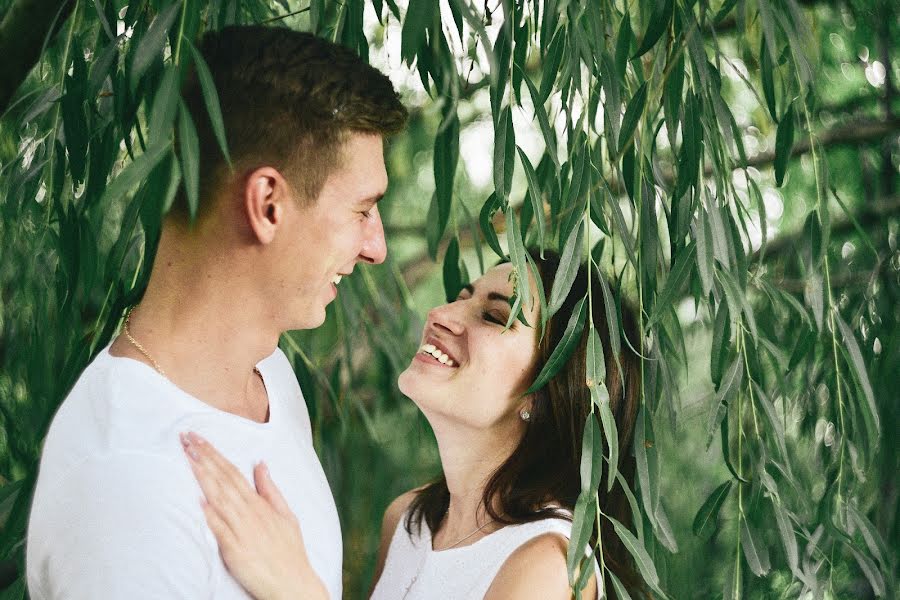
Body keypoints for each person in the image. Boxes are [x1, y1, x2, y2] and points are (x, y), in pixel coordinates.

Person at [26, 26, 407, 599]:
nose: (376, 248)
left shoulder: (268, 375)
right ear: (268, 205)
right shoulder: (125, 485)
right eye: (362, 210)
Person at [181, 250, 646, 599]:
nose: (441, 315)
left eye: (492, 316)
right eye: (462, 297)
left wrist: (295, 587)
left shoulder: (548, 567)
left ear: (548, 393)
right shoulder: (407, 521)